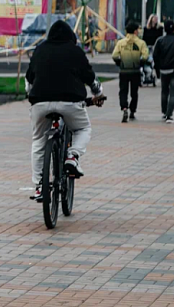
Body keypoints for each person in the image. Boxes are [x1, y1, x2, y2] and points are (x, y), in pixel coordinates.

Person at [26, 20, 103, 201]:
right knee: (83, 129)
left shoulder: (40, 50)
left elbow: (29, 79)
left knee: (38, 140)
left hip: (40, 102)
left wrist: (30, 94)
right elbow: (90, 78)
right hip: (70, 102)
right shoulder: (75, 51)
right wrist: (98, 93)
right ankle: (72, 156)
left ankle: (39, 186)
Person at [112, 22, 149, 123]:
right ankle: (132, 110)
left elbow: (114, 55)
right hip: (135, 71)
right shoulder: (141, 43)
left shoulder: (121, 43)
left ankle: (124, 108)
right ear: (135, 31)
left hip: (123, 71)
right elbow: (145, 56)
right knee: (134, 92)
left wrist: (120, 63)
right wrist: (140, 63)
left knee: (123, 91)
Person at [142, 14, 163, 86]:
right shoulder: (146, 28)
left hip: (156, 47)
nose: (156, 20)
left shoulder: (159, 28)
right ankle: (147, 75)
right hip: (148, 46)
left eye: (156, 19)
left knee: (156, 62)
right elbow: (144, 38)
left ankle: (158, 75)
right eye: (154, 19)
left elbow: (160, 38)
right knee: (148, 61)